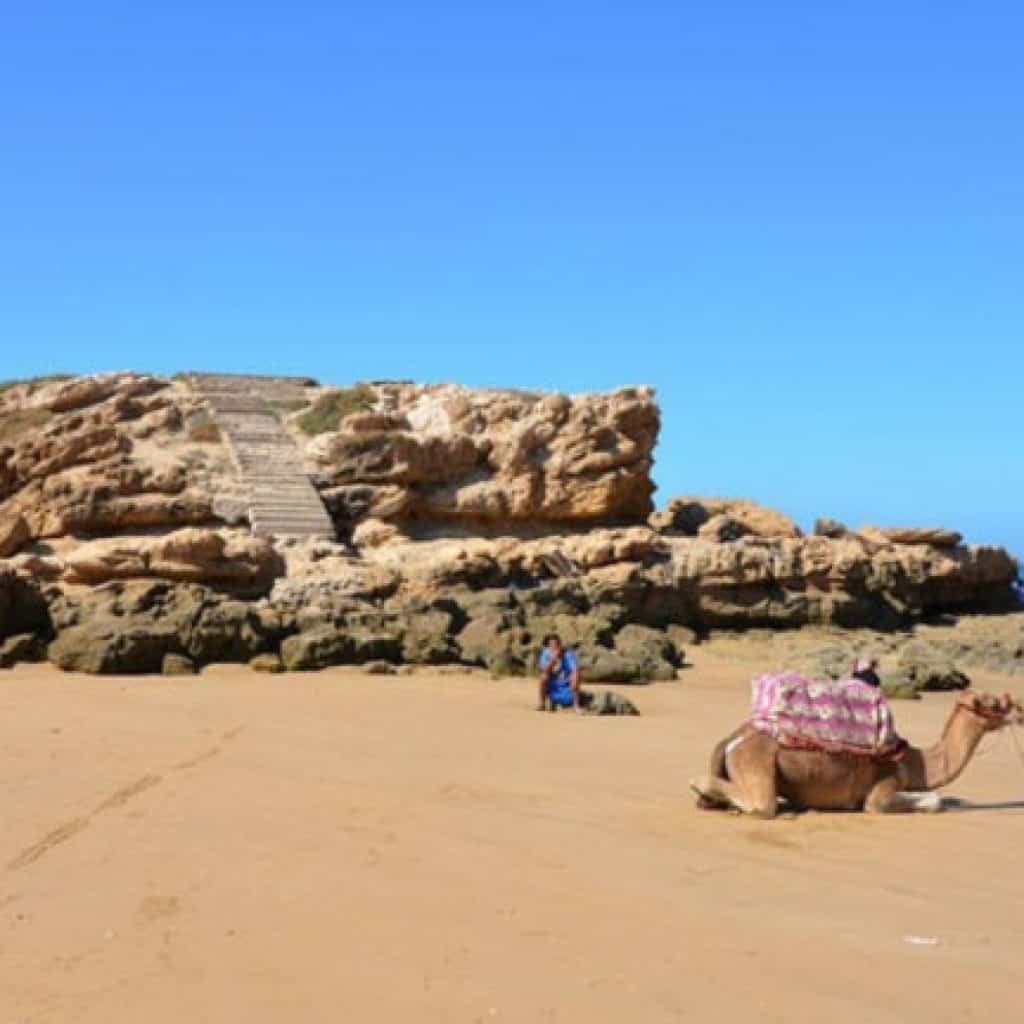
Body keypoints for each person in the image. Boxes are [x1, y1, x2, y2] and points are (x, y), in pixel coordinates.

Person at [537, 634, 581, 712]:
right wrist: (554, 659)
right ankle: (542, 704)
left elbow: (575, 669)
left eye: (556, 644)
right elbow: (545, 670)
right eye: (551, 644)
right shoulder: (545, 653)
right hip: (552, 683)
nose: (554, 646)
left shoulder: (568, 654)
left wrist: (575, 677)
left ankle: (576, 705)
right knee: (543, 677)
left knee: (575, 675)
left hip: (566, 682)